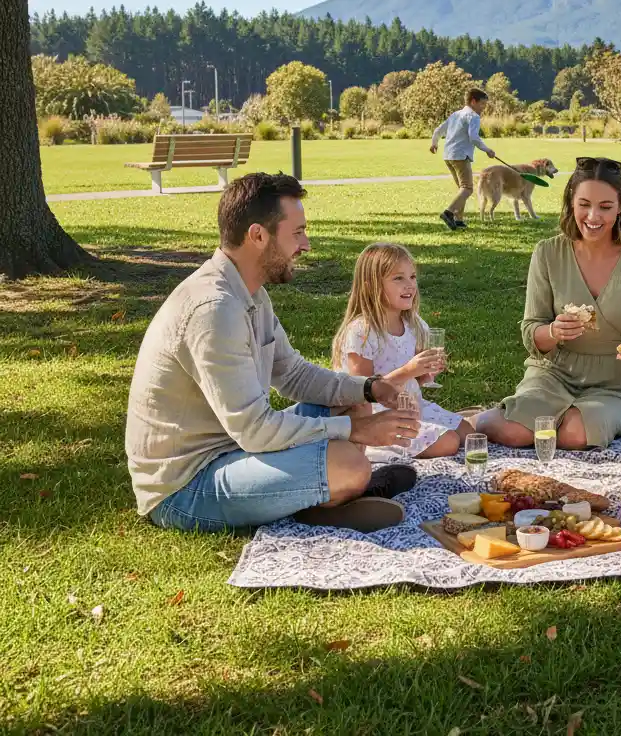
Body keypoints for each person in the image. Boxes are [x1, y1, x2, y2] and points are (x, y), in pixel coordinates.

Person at [125, 173, 421, 534]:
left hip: (236, 451)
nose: (306, 244)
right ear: (257, 236)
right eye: (297, 232)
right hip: (188, 486)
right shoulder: (214, 309)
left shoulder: (250, 294)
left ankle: (322, 493)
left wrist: (369, 388)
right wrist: (356, 431)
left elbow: (293, 374)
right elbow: (254, 430)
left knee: (350, 403)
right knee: (349, 461)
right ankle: (326, 495)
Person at [473, 157, 621, 450]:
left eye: (605, 207)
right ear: (571, 203)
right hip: (553, 374)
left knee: (574, 434)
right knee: (515, 433)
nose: (593, 216)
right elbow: (532, 330)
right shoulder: (547, 253)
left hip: (616, 383)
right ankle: (479, 417)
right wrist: (554, 332)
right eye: (584, 204)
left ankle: (562, 416)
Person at [331, 242, 474, 458]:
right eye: (398, 278)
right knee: (449, 442)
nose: (410, 285)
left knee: (469, 433)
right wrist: (409, 370)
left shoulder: (414, 325)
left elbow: (414, 381)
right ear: (372, 286)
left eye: (413, 277)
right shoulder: (362, 332)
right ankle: (372, 446)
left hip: (413, 406)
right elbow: (360, 393)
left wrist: (424, 374)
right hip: (378, 415)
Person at [429, 87, 497, 231]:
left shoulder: (456, 114)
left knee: (462, 188)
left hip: (448, 155)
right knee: (467, 188)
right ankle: (448, 213)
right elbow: (474, 137)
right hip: (460, 155)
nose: (483, 108)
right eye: (482, 104)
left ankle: (459, 220)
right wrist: (487, 150)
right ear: (473, 101)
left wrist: (434, 143)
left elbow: (438, 130)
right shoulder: (473, 116)